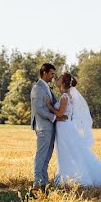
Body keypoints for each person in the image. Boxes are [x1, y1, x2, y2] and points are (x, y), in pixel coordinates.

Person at [52, 72, 101, 187]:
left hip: (64, 128)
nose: (56, 79)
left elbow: (59, 113)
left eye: (59, 78)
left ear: (63, 82)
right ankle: (67, 176)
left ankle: (72, 178)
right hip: (64, 126)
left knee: (68, 152)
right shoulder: (68, 95)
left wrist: (49, 106)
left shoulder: (64, 97)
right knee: (70, 152)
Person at [30, 62, 62, 190]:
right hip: (43, 127)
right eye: (52, 74)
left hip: (50, 127)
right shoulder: (38, 88)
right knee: (41, 155)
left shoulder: (47, 88)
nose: (53, 76)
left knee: (47, 156)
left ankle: (43, 182)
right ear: (44, 73)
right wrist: (54, 117)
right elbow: (38, 109)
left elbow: (52, 105)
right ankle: (37, 183)